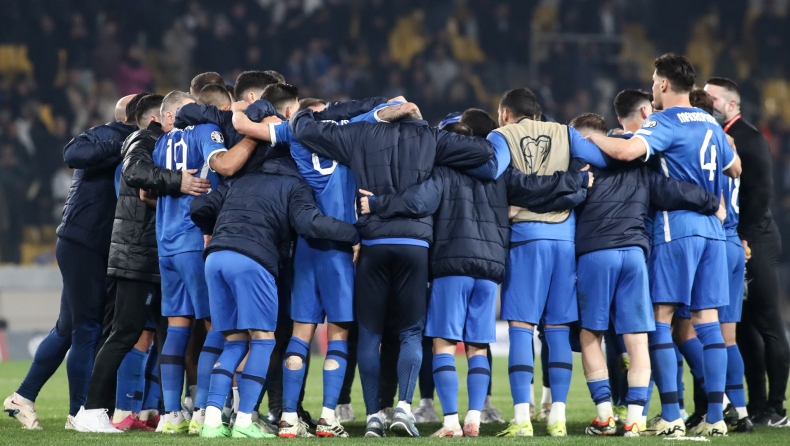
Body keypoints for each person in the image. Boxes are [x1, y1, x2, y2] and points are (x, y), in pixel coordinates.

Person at [364, 119, 594, 438]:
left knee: (444, 346)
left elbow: (419, 202)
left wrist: (377, 203)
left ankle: (451, 423)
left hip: (452, 265)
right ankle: (474, 418)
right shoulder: (497, 174)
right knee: (477, 347)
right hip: (489, 269)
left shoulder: (441, 172)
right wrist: (577, 182)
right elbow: (533, 191)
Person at [290, 100, 501, 438]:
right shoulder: (432, 138)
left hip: (373, 244)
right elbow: (484, 151)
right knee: (410, 333)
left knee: (370, 334)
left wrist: (320, 110)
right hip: (415, 246)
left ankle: (374, 416)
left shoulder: (361, 134)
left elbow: (303, 129)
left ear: (385, 114)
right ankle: (403, 407)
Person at [231, 88, 402, 438]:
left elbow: (244, 125)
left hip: (307, 246)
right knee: (338, 333)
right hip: (343, 248)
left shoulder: (292, 131)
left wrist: (240, 105)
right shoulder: (350, 128)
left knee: (300, 333)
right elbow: (396, 106)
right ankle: (327, 417)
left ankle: (288, 418)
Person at [586, 53, 741, 437]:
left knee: (661, 318)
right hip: (713, 233)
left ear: (664, 84)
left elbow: (626, 152)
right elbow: (735, 167)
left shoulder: (663, 120)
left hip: (676, 229)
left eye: (655, 81)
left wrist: (592, 137)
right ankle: (716, 418)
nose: (653, 87)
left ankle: (671, 414)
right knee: (708, 322)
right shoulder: (710, 122)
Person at [569, 113, 723, 437]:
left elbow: (566, 199)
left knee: (591, 335)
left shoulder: (582, 167)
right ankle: (635, 419)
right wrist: (711, 202)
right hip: (635, 256)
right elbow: (675, 190)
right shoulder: (641, 168)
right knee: (638, 339)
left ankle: (605, 416)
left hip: (596, 253)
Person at [190, 156, 361, 439]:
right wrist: (352, 233)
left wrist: (209, 230)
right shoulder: (293, 184)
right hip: (252, 260)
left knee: (233, 343)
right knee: (263, 340)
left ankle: (211, 421)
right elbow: (310, 222)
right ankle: (244, 421)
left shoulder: (239, 181)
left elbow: (198, 207)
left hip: (215, 258)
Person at [4, 95, 138, 431]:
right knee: (87, 328)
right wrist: (123, 143)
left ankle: (22, 397)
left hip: (90, 242)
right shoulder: (108, 135)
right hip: (83, 242)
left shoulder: (134, 142)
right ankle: (79, 413)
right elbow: (72, 153)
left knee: (67, 328)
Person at [492, 88, 609, 438]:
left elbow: (497, 178)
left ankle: (522, 418)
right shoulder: (566, 133)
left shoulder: (501, 136)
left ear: (504, 113)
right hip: (563, 240)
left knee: (521, 329)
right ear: (537, 114)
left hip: (525, 238)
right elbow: (602, 158)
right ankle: (557, 417)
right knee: (557, 329)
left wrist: (521, 202)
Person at [151, 90, 257, 434]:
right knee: (216, 326)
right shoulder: (203, 131)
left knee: (177, 328)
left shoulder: (162, 143)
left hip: (165, 244)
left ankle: (170, 415)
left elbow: (147, 192)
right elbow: (222, 163)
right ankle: (202, 411)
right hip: (195, 239)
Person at [705, 77, 790, 427]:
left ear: (730, 104)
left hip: (758, 239)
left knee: (768, 323)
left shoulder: (750, 138)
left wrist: (744, 237)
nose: (704, 101)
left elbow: (760, 193)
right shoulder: (715, 136)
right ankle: (754, 405)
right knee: (743, 328)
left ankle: (777, 409)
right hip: (739, 239)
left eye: (710, 98)